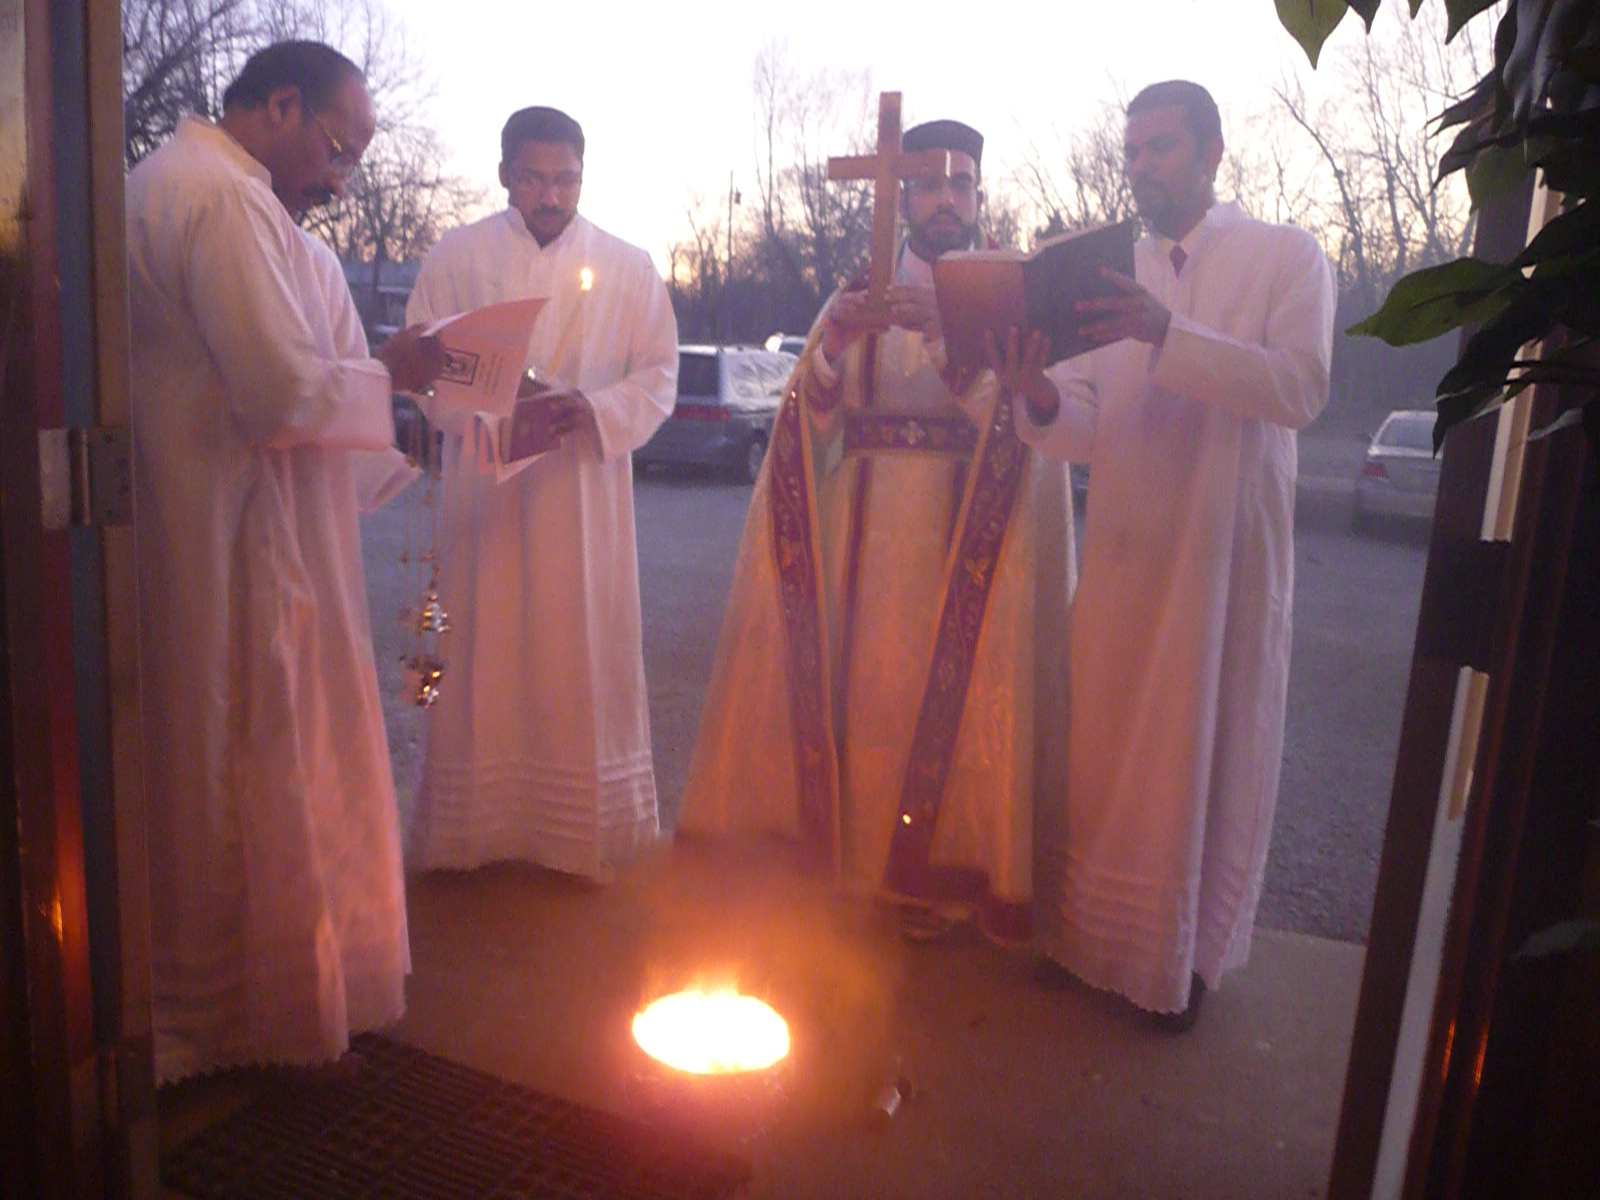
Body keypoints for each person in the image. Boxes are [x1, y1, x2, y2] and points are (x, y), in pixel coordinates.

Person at [127, 40, 444, 1082]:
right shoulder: (218, 200)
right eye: (339, 146)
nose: (342, 174)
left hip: (241, 515)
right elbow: (282, 393)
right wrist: (387, 372)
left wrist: (373, 383)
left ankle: (271, 995)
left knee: (249, 739)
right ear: (278, 104)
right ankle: (234, 1018)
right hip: (231, 527)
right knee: (248, 748)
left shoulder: (216, 192)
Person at [677, 119, 1075, 942]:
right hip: (861, 542)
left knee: (957, 710)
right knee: (860, 705)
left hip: (966, 544)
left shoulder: (1009, 295)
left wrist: (945, 336)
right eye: (928, 184)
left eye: (960, 184)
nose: (944, 200)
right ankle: (852, 872)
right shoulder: (853, 293)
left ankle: (937, 881)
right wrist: (834, 351)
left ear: (977, 195)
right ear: (899, 192)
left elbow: (1030, 428)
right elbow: (806, 420)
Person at [993, 80, 1336, 1028]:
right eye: (1133, 149)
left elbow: (1302, 389)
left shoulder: (1284, 256)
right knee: (1100, 746)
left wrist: (1165, 331)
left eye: (1163, 147)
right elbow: (1091, 425)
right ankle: (1087, 937)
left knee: (1197, 747)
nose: (1142, 166)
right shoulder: (1110, 271)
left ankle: (1174, 961)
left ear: (1214, 151)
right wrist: (1042, 395)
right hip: (1128, 550)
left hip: (1222, 554)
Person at [404, 106, 678, 880]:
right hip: (485, 492)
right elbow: (422, 363)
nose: (550, 194)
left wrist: (591, 411)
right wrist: (490, 408)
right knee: (483, 639)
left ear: (583, 177)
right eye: (533, 177)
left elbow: (659, 375)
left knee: (577, 645)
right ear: (504, 175)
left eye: (565, 178)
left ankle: (582, 836)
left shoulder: (628, 266)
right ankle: (474, 834)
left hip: (581, 499)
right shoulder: (457, 256)